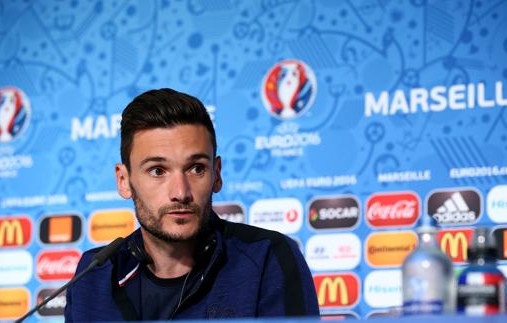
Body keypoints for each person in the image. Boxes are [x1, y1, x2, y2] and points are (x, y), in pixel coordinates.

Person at [64, 88, 320, 321]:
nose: (180, 192)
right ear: (124, 180)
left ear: (216, 174)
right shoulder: (93, 275)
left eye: (196, 168)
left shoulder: (268, 259)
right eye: (157, 170)